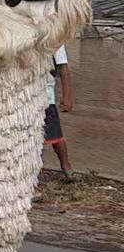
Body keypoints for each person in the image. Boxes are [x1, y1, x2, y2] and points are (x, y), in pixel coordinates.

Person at [45, 44, 74, 178]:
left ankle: (66, 167)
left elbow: (63, 68)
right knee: (34, 139)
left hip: (46, 97)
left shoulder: (56, 41)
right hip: (28, 99)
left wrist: (67, 96)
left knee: (55, 136)